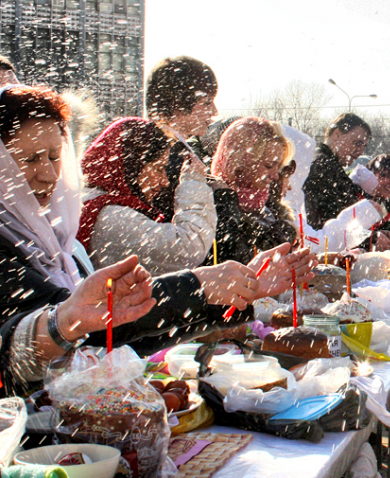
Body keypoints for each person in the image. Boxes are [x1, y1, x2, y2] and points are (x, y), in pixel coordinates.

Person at [0, 85, 314, 397]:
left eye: (55, 157)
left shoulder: (60, 244)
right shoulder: (102, 217)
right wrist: (200, 287)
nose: (47, 174)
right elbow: (71, 332)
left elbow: (115, 332)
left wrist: (238, 288)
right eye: (28, 160)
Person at [78, 117, 216, 276]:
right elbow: (189, 248)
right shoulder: (110, 217)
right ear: (132, 166)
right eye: (158, 169)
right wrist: (193, 183)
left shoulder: (101, 205)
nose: (165, 181)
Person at [206, 117, 299, 265]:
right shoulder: (213, 201)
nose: (275, 176)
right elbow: (244, 260)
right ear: (241, 161)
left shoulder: (264, 201)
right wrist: (285, 232)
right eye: (269, 165)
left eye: (278, 167)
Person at [145, 56, 219, 220]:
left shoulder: (165, 146)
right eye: (207, 103)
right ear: (178, 102)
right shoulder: (171, 154)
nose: (214, 112)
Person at [303, 113, 375, 227]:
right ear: (337, 134)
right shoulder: (324, 167)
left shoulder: (323, 163)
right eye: (357, 143)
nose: (360, 152)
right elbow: (333, 223)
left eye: (363, 146)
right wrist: (371, 238)